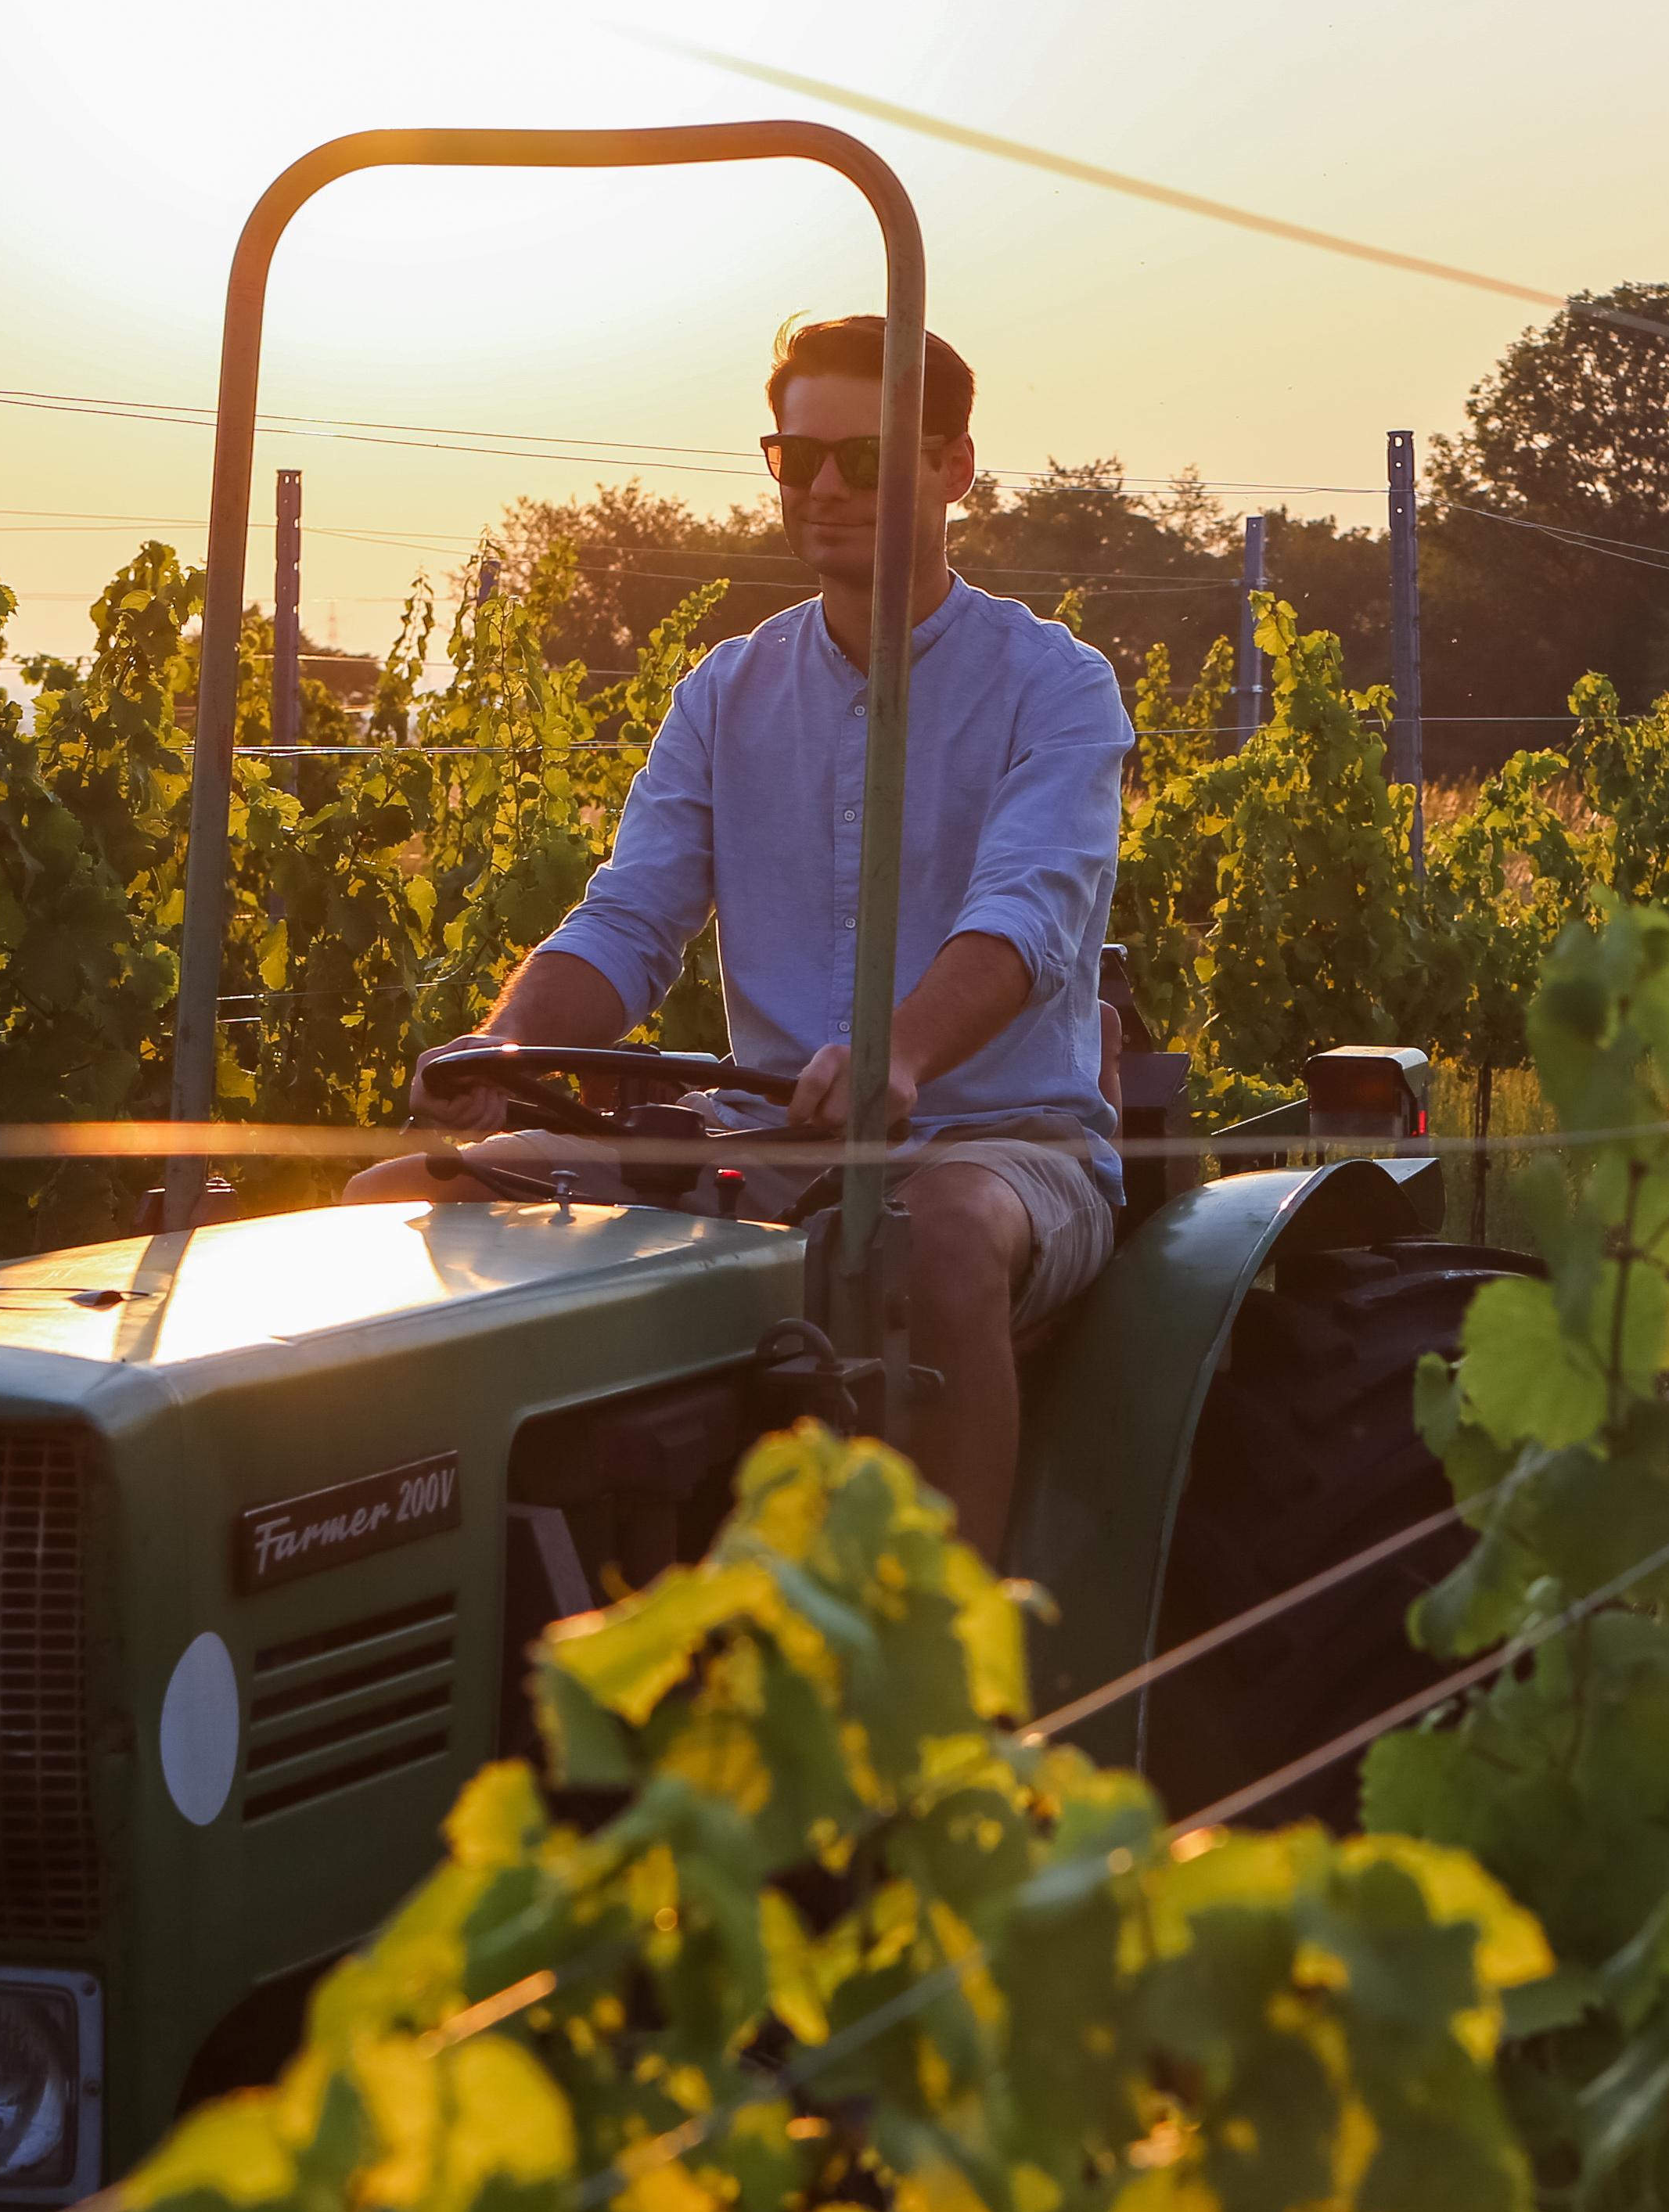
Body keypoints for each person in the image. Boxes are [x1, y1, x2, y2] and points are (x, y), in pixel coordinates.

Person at [344, 314, 1131, 1557]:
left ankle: (940, 1690)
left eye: (862, 460)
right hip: (767, 1134)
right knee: (397, 1203)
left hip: (996, 1141)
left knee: (929, 1243)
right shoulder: (725, 691)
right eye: (794, 456)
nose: (821, 487)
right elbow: (631, 918)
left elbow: (1028, 912)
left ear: (952, 468)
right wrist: (500, 1050)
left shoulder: (1053, 684)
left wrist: (903, 1051)